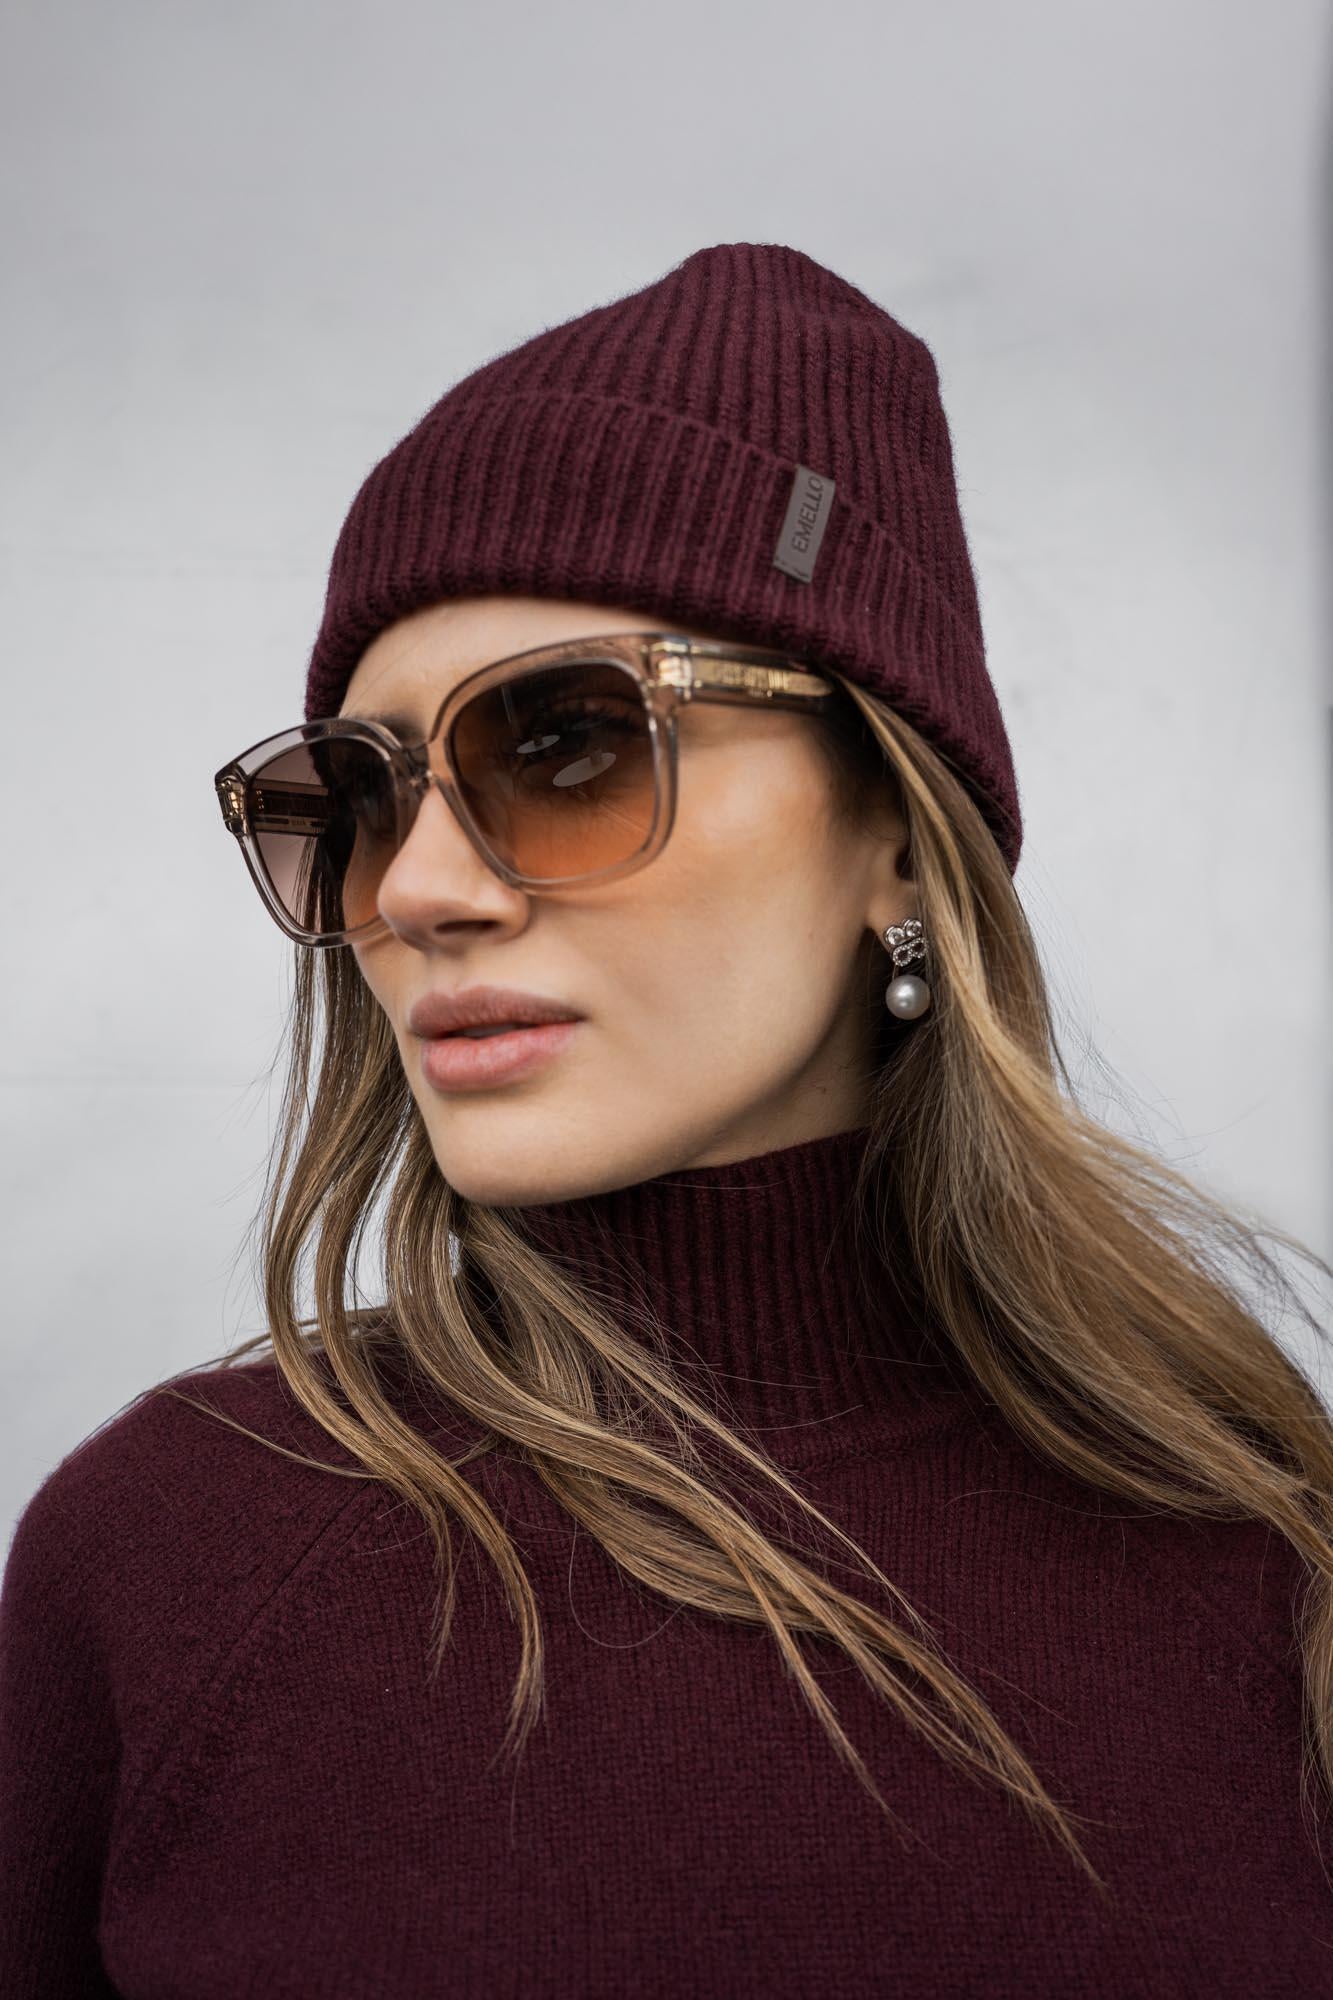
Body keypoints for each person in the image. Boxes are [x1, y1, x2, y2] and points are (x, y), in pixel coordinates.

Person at [3, 241, 1331, 1997]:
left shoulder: (1266, 1557)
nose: (417, 890)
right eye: (352, 797)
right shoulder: (169, 1562)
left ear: (895, 837)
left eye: (565, 745)